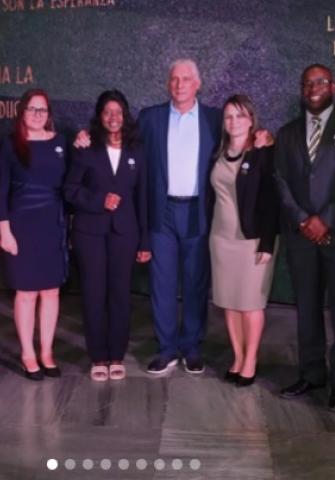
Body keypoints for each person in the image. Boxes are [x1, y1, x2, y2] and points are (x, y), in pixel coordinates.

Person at [273, 64, 335, 410]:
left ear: (334, 86)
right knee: (307, 309)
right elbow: (281, 182)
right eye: (307, 83)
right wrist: (304, 220)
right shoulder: (286, 134)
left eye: (319, 82)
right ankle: (312, 373)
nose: (313, 88)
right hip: (301, 237)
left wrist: (326, 219)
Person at [136, 59, 223, 375]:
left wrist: (263, 138)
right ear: (167, 83)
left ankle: (192, 347)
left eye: (186, 79)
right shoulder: (150, 118)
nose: (179, 84)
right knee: (162, 283)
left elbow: (242, 138)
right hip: (163, 211)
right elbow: (125, 147)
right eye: (174, 79)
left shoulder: (215, 119)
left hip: (198, 210)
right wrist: (86, 140)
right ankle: (167, 348)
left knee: (196, 281)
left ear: (198, 84)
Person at [64, 90, 150, 382]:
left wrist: (145, 240)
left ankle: (117, 356)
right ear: (99, 117)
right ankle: (98, 356)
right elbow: (70, 190)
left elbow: (143, 198)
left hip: (125, 233)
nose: (113, 118)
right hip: (90, 232)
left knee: (120, 295)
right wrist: (98, 200)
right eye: (107, 112)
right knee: (93, 294)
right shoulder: (85, 146)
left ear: (125, 115)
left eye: (118, 112)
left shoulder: (137, 150)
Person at [0, 89, 68, 381]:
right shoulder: (10, 145)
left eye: (43, 110)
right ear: (22, 112)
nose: (37, 114)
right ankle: (28, 353)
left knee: (51, 291)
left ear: (49, 114)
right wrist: (4, 230)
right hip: (21, 226)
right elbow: (0, 190)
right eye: (32, 109)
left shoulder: (61, 143)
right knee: (26, 294)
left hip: (52, 225)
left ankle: (47, 351)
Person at [209, 95, 279, 387]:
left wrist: (266, 243)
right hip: (221, 239)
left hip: (252, 241)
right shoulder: (218, 151)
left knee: (250, 304)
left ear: (251, 120)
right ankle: (237, 356)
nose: (233, 122)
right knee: (229, 302)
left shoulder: (263, 151)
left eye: (239, 116)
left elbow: (272, 199)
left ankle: (251, 360)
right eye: (228, 117)